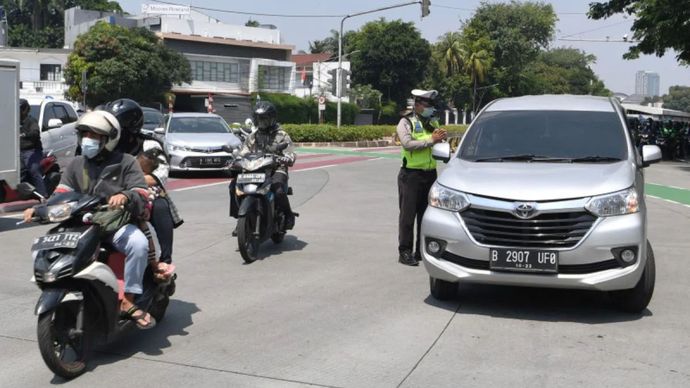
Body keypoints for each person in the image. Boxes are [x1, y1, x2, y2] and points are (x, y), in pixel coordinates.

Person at [23, 111, 155, 329]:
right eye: (85, 134)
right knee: (42, 248)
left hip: (114, 224)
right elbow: (60, 195)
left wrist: (125, 196)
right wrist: (38, 209)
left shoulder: (126, 162)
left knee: (138, 244)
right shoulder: (76, 164)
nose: (88, 140)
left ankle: (129, 300)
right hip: (80, 224)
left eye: (94, 136)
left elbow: (140, 192)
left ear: (108, 139)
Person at [229, 101, 296, 234]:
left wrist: (286, 158)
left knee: (278, 190)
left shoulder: (281, 135)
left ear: (271, 118)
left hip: (276, 168)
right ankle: (240, 219)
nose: (261, 122)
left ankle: (288, 215)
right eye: (259, 119)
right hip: (255, 168)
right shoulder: (253, 136)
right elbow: (243, 151)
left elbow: (290, 153)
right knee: (233, 186)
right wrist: (236, 159)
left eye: (264, 119)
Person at [396, 89, 447, 266]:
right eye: (427, 105)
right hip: (411, 175)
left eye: (431, 105)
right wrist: (431, 140)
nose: (430, 108)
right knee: (408, 216)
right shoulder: (406, 121)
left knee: (426, 216)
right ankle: (405, 252)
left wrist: (442, 144)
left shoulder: (432, 122)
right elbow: (407, 144)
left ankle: (420, 251)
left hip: (430, 174)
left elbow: (435, 144)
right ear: (417, 104)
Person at [19, 98, 47, 197]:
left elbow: (35, 132)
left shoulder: (31, 121)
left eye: (22, 108)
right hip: (17, 152)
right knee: (16, 172)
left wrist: (25, 134)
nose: (20, 111)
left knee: (33, 169)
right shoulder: (14, 122)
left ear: (26, 109)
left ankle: (43, 196)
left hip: (31, 150)